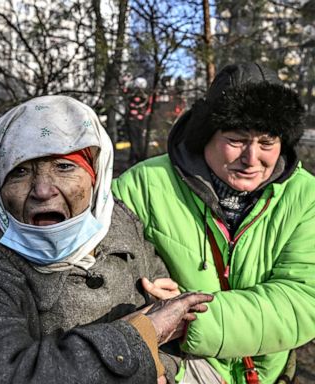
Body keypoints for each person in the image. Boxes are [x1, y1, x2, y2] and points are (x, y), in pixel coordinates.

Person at [0, 95, 213, 384]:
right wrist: (141, 337)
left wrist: (162, 364)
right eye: (20, 171)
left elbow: (169, 319)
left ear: (95, 177)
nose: (42, 190)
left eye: (64, 167)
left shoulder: (118, 222)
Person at [113, 63, 315, 384]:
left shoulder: (306, 195)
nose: (252, 159)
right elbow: (102, 271)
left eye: (266, 143)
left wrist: (185, 316)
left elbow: (303, 299)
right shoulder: (143, 185)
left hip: (266, 374)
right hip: (178, 368)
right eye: (236, 139)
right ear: (205, 133)